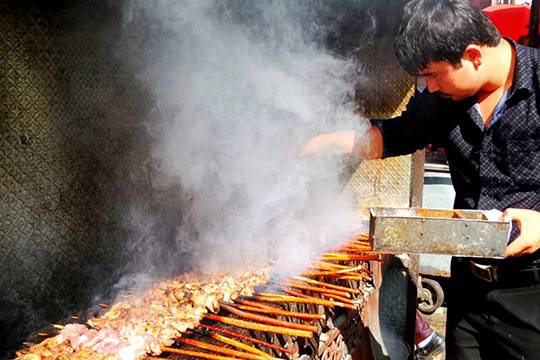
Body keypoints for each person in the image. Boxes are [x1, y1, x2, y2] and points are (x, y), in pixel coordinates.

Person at [303, 0, 540, 359]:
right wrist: (320, 142)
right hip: (468, 284)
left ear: (474, 55)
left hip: (532, 291)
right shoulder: (445, 98)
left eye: (432, 74)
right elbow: (394, 136)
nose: (428, 87)